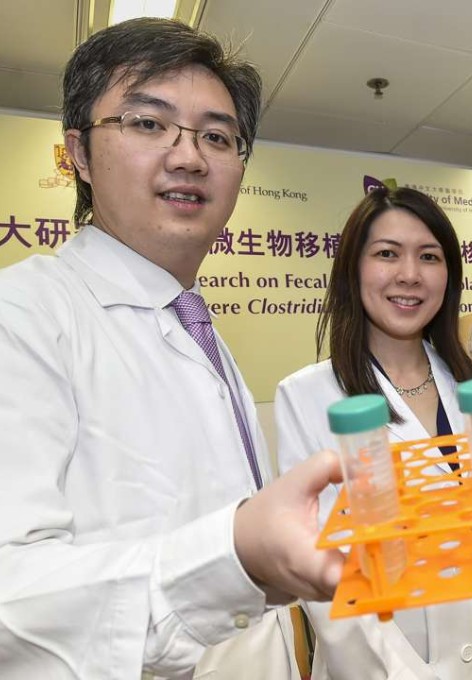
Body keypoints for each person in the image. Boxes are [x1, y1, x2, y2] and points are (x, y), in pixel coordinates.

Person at [0, 19, 343, 679]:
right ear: (77, 152)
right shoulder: (23, 317)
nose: (189, 157)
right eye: (148, 124)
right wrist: (231, 560)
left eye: (217, 136)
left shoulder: (193, 323)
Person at [275, 186, 472, 680]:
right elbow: (323, 576)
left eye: (429, 257)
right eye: (387, 254)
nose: (409, 275)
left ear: (449, 276)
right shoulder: (308, 397)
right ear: (354, 269)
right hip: (402, 662)